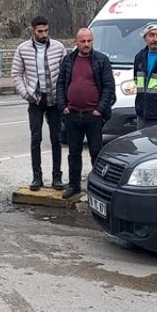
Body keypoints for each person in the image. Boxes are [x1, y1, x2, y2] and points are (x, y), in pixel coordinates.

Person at [56, 28, 114, 199]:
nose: (86, 44)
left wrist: (99, 110)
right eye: (83, 41)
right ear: (77, 42)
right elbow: (60, 84)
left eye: (89, 41)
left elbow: (109, 87)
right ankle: (74, 185)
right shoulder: (68, 60)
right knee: (73, 153)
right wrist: (63, 106)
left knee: (96, 152)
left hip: (93, 115)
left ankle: (97, 187)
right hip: (72, 114)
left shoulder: (101, 60)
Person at [12, 16, 67, 191]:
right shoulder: (23, 49)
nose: (43, 34)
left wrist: (62, 95)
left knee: (56, 138)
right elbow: (16, 73)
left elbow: (66, 72)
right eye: (40, 31)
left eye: (46, 31)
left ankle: (57, 177)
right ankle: (37, 177)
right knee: (36, 138)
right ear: (33, 30)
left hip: (54, 98)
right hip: (35, 98)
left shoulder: (58, 47)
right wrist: (25, 93)